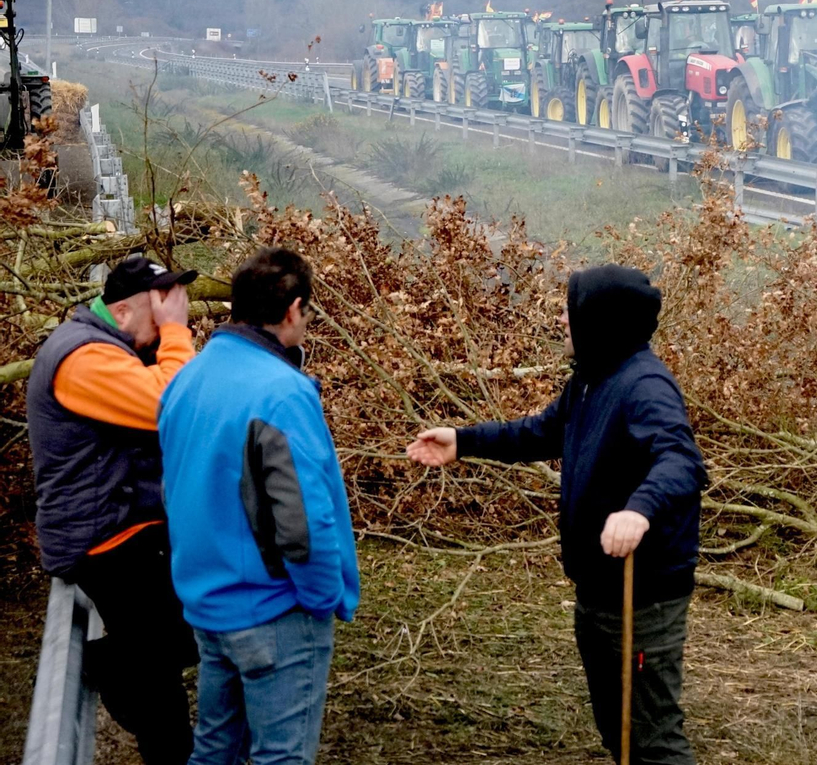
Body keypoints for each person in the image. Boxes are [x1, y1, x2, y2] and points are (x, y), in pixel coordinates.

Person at [407, 264, 707, 765]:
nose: (562, 323)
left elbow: (681, 460)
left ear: (601, 321)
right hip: (598, 589)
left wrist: (638, 510)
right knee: (619, 730)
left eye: (572, 313)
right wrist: (463, 441)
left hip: (644, 597)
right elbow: (539, 432)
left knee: (653, 740)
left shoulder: (645, 386)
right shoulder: (593, 376)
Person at [159, 247, 359, 765]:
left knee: (214, 752)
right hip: (273, 612)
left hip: (208, 606)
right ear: (293, 309)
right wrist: (320, 599)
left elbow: (173, 488)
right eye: (309, 313)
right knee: (281, 757)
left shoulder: (185, 381)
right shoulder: (282, 393)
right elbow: (304, 520)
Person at [26, 254, 199, 765]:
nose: (165, 326)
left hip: (128, 529)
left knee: (187, 637)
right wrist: (176, 336)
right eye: (157, 313)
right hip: (104, 541)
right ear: (121, 312)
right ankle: (118, 671)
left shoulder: (110, 348)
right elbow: (174, 406)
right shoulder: (83, 358)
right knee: (159, 681)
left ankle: (125, 667)